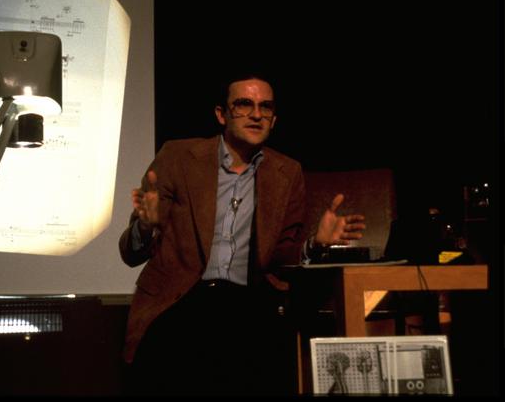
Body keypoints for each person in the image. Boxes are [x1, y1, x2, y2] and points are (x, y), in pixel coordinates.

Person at [119, 73, 366, 396]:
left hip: (247, 305)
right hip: (180, 300)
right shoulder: (178, 157)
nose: (256, 114)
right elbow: (130, 253)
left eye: (266, 107)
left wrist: (315, 244)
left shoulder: (287, 172)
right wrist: (147, 225)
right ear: (222, 114)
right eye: (244, 105)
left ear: (274, 119)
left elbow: (279, 256)